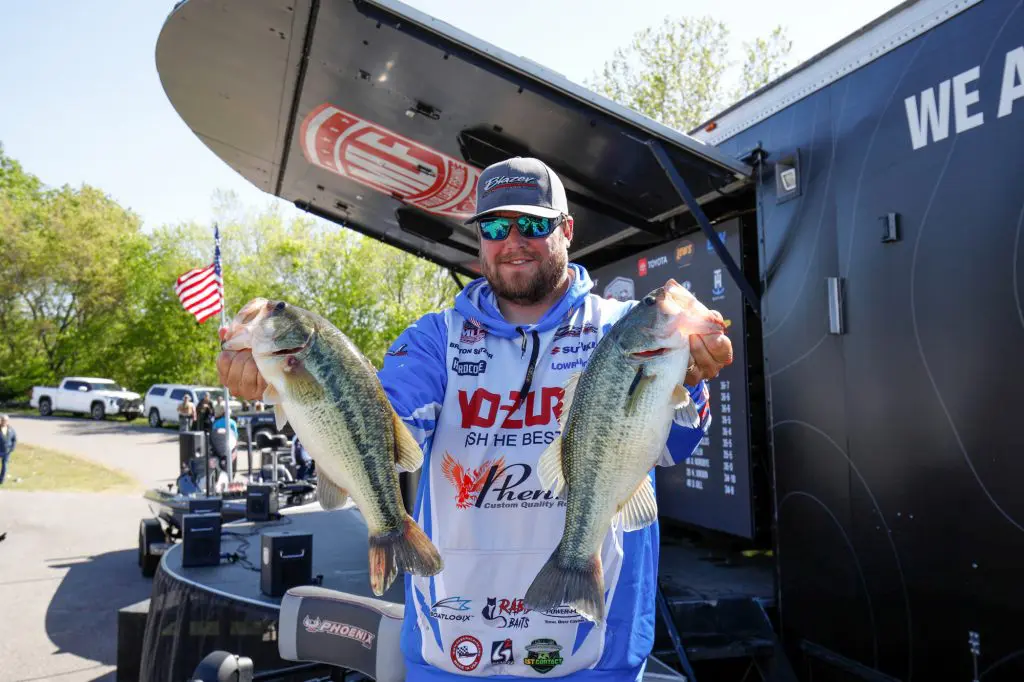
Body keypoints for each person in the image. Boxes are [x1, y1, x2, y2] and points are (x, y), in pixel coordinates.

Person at [218, 157, 733, 681]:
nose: (513, 241)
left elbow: (676, 445)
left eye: (532, 224)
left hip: (596, 655)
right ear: (479, 240)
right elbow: (378, 433)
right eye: (494, 227)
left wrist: (691, 376)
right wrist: (285, 379)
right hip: (452, 649)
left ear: (567, 230)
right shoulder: (433, 339)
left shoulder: (620, 328)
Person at [0, 414, 16, 485]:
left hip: (7, 451)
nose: (4, 422)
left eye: (5, 420)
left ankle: (2, 479)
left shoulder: (11, 429)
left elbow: (14, 439)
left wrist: (12, 448)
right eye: (3, 420)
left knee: (5, 465)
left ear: (7, 421)